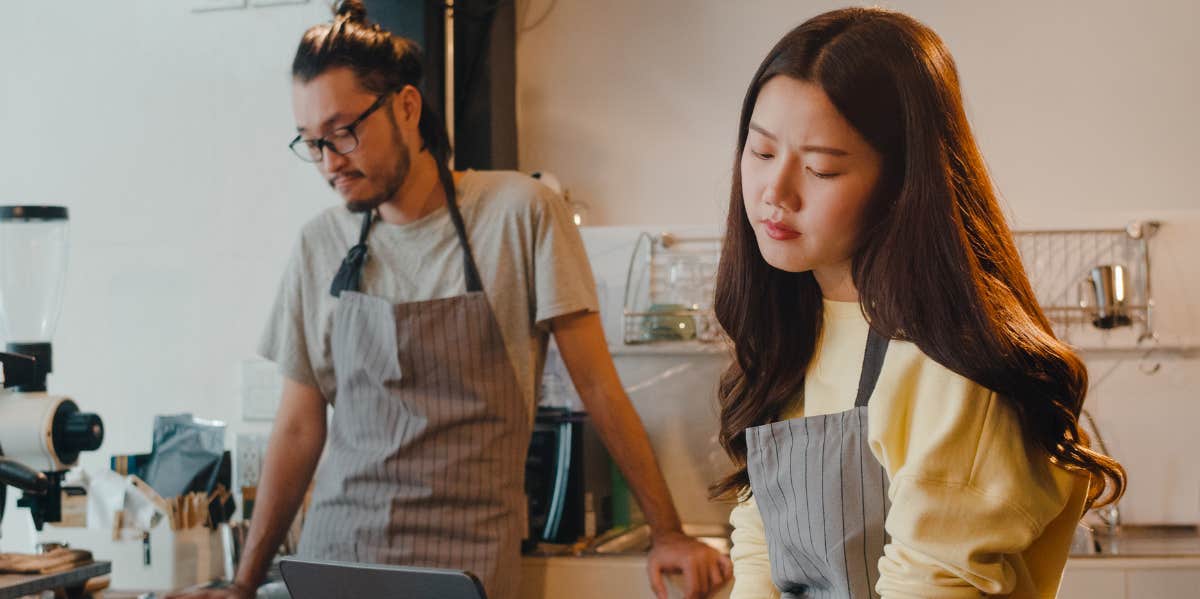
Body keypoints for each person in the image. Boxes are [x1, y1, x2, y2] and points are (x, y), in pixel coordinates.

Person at [171, 2, 729, 599]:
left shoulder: (519, 214)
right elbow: (299, 429)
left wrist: (667, 531)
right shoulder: (319, 244)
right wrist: (243, 584)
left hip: (464, 569)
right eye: (312, 143)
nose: (331, 161)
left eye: (344, 132)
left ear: (407, 107)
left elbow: (597, 387)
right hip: (336, 561)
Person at [711, 7, 1126, 599]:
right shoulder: (792, 331)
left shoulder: (954, 366)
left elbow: (933, 585)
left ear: (905, 182)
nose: (774, 193)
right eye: (760, 152)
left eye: (822, 169)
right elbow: (761, 553)